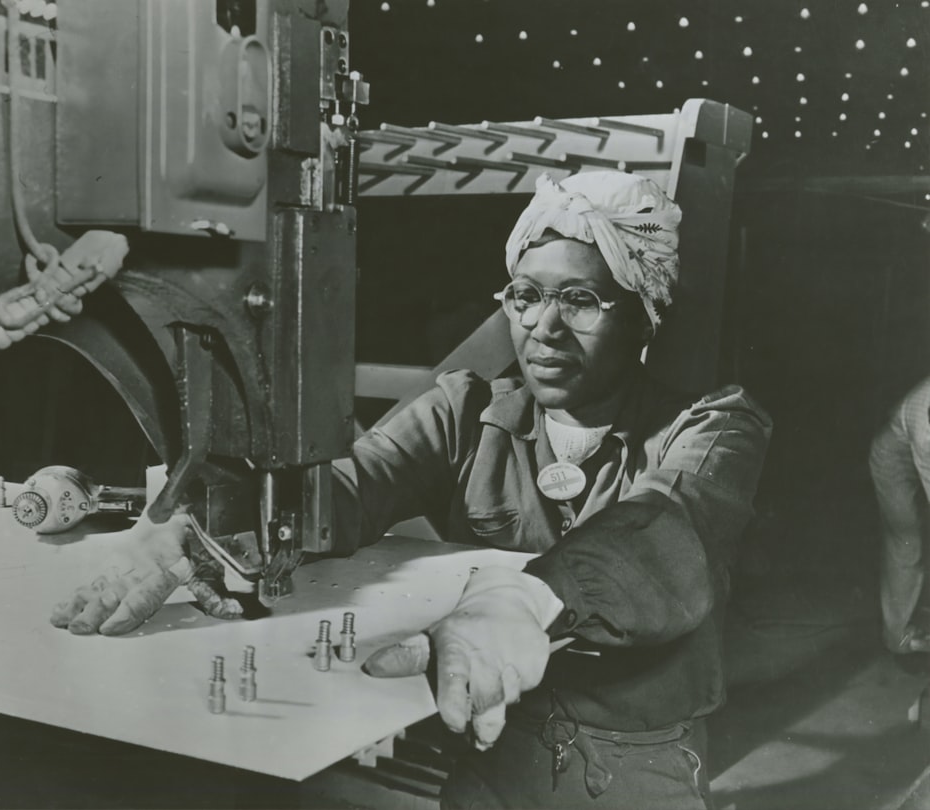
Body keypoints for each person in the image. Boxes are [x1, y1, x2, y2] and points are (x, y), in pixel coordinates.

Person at [50, 170, 772, 809]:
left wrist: (524, 602)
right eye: (525, 295)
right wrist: (196, 530)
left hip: (630, 769)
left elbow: (669, 524)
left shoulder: (713, 426)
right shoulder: (463, 412)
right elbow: (344, 489)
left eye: (580, 300)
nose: (544, 328)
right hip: (487, 751)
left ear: (644, 311)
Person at [869, 375, 930, 656]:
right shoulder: (926, 435)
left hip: (910, 442)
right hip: (891, 459)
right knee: (906, 544)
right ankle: (898, 637)